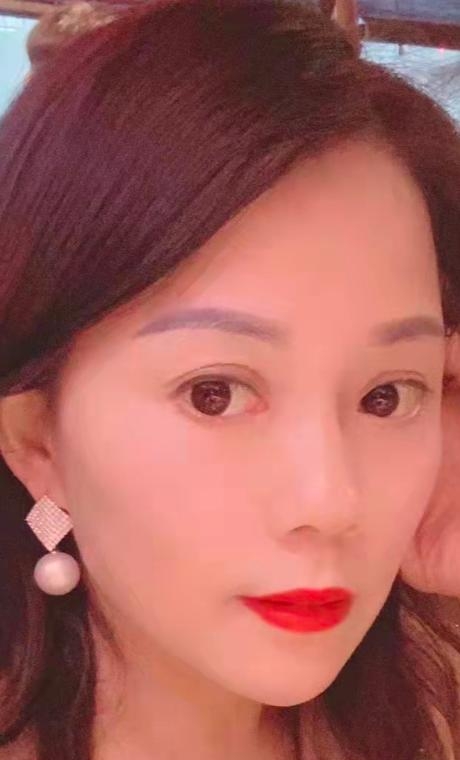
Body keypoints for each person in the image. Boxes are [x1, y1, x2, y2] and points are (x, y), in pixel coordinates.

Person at [0, 1, 459, 759]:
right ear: (35, 442)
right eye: (214, 394)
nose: (330, 503)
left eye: (387, 396)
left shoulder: (431, 706)